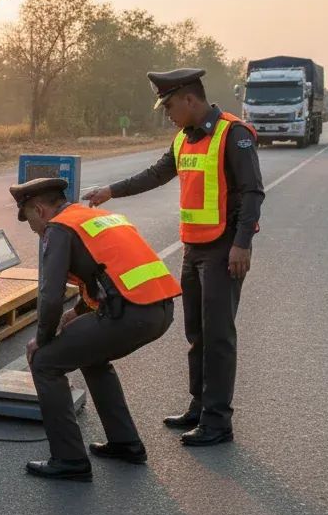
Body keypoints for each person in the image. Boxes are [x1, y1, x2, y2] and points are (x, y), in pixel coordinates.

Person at [84, 68, 264, 446]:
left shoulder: (233, 134)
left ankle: (218, 422)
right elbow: (156, 174)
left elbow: (252, 192)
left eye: (168, 105)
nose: (166, 112)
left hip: (223, 249)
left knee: (218, 336)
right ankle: (199, 406)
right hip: (193, 249)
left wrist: (242, 243)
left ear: (189, 99)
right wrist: (111, 190)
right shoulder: (184, 138)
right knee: (196, 333)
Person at [12, 177, 181, 481]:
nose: (34, 229)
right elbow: (108, 277)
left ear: (39, 209)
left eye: (31, 221)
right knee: (91, 356)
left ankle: (69, 460)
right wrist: (76, 313)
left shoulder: (58, 228)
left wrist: (43, 339)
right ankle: (125, 443)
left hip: (131, 313)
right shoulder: (96, 217)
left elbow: (49, 297)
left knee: (45, 362)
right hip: (160, 310)